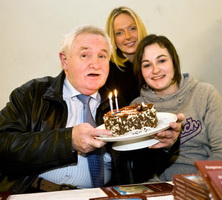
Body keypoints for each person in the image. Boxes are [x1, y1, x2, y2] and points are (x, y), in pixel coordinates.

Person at [0, 25, 182, 194]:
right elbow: (3, 144)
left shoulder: (115, 105)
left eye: (102, 56)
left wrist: (164, 146)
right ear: (64, 60)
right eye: (85, 55)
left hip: (101, 194)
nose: (95, 64)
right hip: (41, 193)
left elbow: (136, 169)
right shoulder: (34, 94)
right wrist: (67, 141)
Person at [132, 34, 222, 181]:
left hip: (204, 184)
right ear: (140, 71)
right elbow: (140, 168)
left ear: (174, 62)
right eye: (147, 65)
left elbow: (220, 151)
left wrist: (194, 186)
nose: (155, 70)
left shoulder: (205, 94)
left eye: (161, 60)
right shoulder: (137, 108)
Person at [105, 6, 147, 104]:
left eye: (132, 29)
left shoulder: (157, 60)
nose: (128, 36)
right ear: (113, 38)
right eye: (119, 33)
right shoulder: (108, 71)